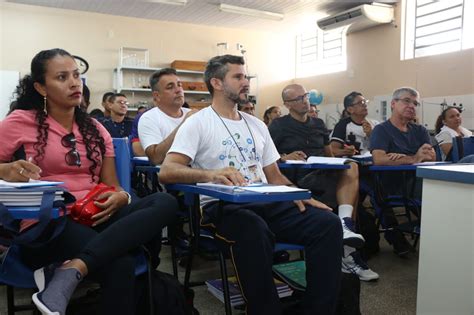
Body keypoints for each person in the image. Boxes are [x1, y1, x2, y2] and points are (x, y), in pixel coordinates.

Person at [159, 55, 343, 314]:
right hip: (223, 208)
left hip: (266, 202)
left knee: (328, 223)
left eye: (245, 76)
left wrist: (298, 194)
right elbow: (167, 171)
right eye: (238, 77)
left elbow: (275, 176)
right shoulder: (198, 122)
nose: (246, 82)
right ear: (217, 83)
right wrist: (211, 174)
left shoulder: (257, 125)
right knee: (253, 229)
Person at [0, 48, 177, 315]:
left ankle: (72, 270)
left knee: (164, 201)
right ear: (41, 87)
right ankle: (70, 272)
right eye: (62, 77)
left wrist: (121, 196)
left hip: (94, 213)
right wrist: (5, 170)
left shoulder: (96, 129)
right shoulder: (19, 122)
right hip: (49, 222)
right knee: (121, 263)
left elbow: (112, 185)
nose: (74, 83)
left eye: (76, 75)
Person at [269, 84, 378, 282]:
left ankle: (345, 226)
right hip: (298, 177)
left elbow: (329, 153)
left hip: (323, 171)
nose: (305, 101)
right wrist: (284, 156)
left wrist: (340, 158)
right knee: (348, 196)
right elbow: (267, 158)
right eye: (298, 99)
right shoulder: (278, 126)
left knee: (350, 166)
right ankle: (347, 251)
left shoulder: (318, 123)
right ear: (287, 104)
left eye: (306, 96)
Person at [370, 87, 435, 256]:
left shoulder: (420, 130)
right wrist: (414, 158)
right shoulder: (381, 130)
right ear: (393, 104)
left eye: (415, 103)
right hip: (396, 186)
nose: (412, 105)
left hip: (421, 180)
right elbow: (379, 159)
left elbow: (431, 157)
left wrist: (405, 157)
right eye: (407, 101)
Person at [138, 68, 197, 165]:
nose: (178, 90)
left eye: (179, 85)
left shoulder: (193, 114)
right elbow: (155, 158)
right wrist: (185, 124)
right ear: (156, 96)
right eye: (170, 87)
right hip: (173, 176)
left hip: (204, 172)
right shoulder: (149, 118)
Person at [330, 91, 379, 157]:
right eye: (360, 103)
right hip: (353, 162)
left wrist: (371, 134)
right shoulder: (342, 125)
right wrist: (345, 152)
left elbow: (384, 147)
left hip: (374, 163)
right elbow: (333, 150)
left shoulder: (376, 124)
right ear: (350, 109)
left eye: (365, 102)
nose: (365, 105)